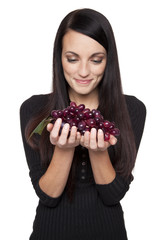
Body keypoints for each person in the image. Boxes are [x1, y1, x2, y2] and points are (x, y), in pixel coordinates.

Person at [20, 8, 146, 240]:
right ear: (59, 58)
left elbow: (113, 196)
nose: (84, 71)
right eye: (72, 59)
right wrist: (64, 149)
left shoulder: (132, 109)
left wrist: (98, 153)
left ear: (108, 60)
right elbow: (48, 196)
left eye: (96, 60)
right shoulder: (35, 111)